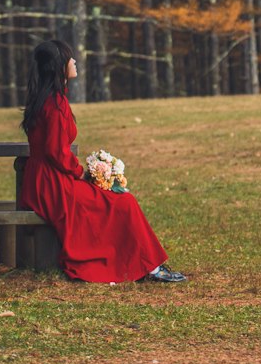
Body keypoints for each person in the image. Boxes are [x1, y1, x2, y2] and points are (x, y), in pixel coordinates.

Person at [20, 39, 187, 283]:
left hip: (43, 181)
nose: (74, 61)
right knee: (124, 202)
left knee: (115, 199)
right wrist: (81, 172)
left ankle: (144, 263)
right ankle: (147, 267)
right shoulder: (55, 104)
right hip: (53, 185)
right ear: (59, 66)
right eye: (69, 58)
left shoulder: (46, 99)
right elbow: (56, 152)